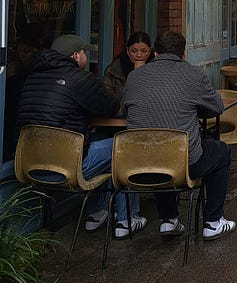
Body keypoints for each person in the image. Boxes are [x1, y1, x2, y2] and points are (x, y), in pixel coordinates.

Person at [17, 34, 143, 239]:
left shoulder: (33, 76)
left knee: (98, 142)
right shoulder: (79, 79)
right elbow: (111, 106)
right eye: (85, 52)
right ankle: (127, 218)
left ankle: (97, 212)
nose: (87, 55)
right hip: (66, 166)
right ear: (76, 56)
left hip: (29, 165)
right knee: (123, 146)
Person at [122, 31, 235, 241]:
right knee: (221, 152)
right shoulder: (193, 74)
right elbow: (217, 107)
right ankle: (213, 221)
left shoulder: (134, 76)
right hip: (183, 164)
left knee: (157, 146)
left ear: (155, 53)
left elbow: (126, 112)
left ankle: (168, 220)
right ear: (183, 54)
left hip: (137, 163)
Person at [102, 30, 154, 102]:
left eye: (143, 51)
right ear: (127, 51)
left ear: (149, 51)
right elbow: (107, 99)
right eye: (134, 51)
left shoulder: (157, 68)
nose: (139, 55)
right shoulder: (113, 70)